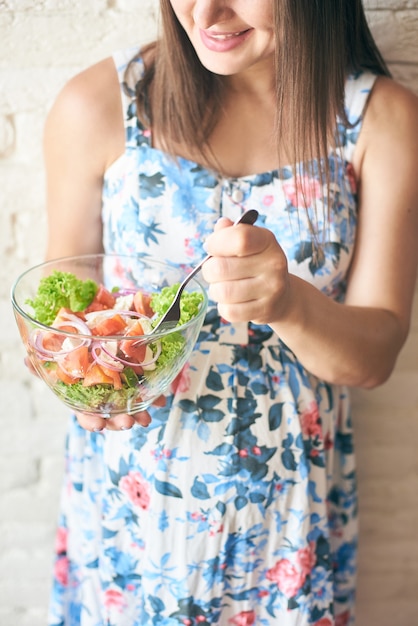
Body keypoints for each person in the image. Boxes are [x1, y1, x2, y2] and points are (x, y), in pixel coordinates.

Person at [42, 1, 418, 625]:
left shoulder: (381, 121)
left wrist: (289, 302)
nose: (208, 11)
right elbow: (64, 294)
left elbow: (375, 355)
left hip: (289, 524)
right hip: (132, 517)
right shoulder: (101, 105)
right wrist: (83, 379)